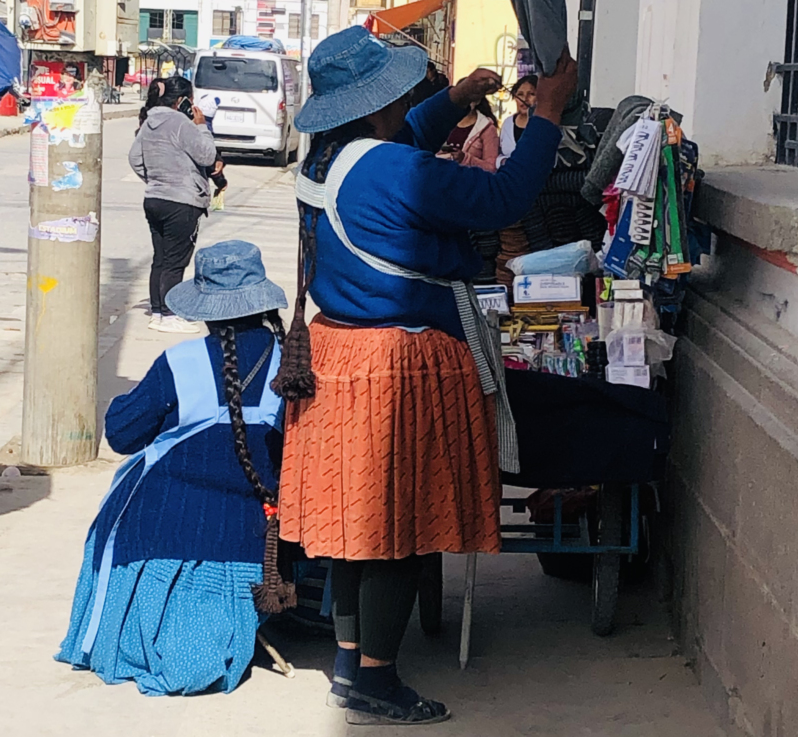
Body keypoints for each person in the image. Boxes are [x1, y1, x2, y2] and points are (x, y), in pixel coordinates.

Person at [275, 27, 577, 726]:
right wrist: (551, 114)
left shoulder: (328, 158)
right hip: (396, 361)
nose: (407, 101)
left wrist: (456, 99)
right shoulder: (393, 171)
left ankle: (353, 662)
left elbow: (404, 133)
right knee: (397, 530)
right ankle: (377, 679)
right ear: (375, 104)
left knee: (357, 528)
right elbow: (503, 198)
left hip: (338, 354)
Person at [55, 240, 291, 696]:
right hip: (252, 530)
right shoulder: (293, 363)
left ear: (205, 308)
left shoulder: (180, 363)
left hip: (159, 523)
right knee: (197, 652)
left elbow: (122, 436)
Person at [130, 76, 218, 333]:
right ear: (182, 101)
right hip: (182, 200)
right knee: (176, 260)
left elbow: (134, 158)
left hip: (154, 198)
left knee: (160, 258)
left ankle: (157, 311)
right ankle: (169, 314)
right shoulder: (181, 123)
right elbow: (207, 155)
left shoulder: (149, 122)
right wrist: (202, 127)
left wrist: (155, 178)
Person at [437, 96, 500, 172]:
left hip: (469, 181)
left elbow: (491, 168)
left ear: (477, 100)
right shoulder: (443, 122)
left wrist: (465, 159)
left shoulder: (487, 128)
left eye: (468, 96)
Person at [496, 74, 538, 168]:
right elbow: (498, 154)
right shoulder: (507, 123)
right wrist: (503, 161)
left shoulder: (542, 125)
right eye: (520, 94)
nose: (524, 99)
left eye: (531, 94)